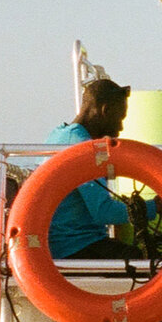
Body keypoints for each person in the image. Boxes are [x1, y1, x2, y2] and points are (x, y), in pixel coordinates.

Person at [45, 78, 135, 261]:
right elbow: (104, 211)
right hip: (75, 246)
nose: (120, 128)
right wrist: (152, 207)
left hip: (67, 243)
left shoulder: (60, 134)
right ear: (105, 111)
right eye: (120, 119)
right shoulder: (80, 146)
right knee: (147, 260)